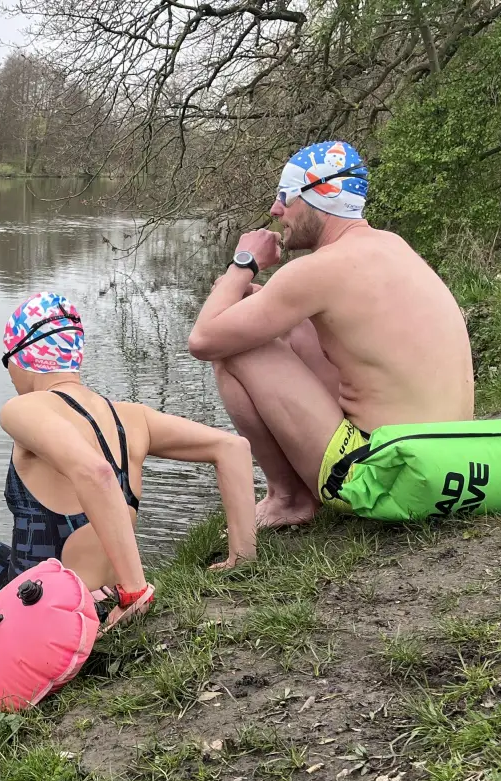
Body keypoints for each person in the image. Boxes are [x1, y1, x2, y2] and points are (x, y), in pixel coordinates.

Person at [0, 292, 257, 668]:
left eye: (7, 364)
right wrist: (241, 559)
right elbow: (232, 449)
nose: (9, 376)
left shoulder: (24, 410)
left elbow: (93, 471)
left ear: (22, 358)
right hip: (64, 596)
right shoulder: (133, 416)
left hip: (42, 629)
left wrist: (136, 590)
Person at [186, 140, 475, 528]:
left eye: (285, 197)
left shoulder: (320, 270)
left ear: (319, 197)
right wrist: (259, 301)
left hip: (382, 479)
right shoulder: (392, 246)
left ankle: (287, 499)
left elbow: (204, 340)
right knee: (293, 328)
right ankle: (295, 492)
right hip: (446, 462)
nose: (275, 210)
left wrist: (244, 264)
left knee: (234, 349)